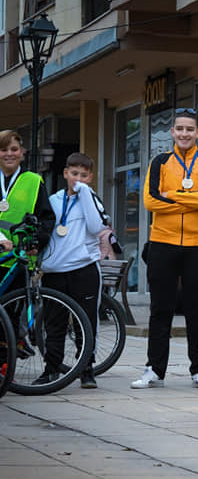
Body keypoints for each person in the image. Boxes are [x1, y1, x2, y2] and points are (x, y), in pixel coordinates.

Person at [132, 108, 198, 389]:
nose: (184, 133)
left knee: (197, 310)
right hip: (162, 242)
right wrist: (192, 197)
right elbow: (150, 201)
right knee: (161, 308)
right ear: (172, 132)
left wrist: (174, 195)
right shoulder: (159, 162)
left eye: (189, 129)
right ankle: (154, 369)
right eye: (179, 129)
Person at [37, 153, 107, 389]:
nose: (78, 179)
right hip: (55, 271)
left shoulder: (92, 198)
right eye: (74, 174)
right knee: (54, 323)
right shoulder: (54, 200)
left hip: (84, 268)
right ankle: (51, 368)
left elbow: (97, 227)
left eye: (84, 176)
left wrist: (86, 193)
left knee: (86, 321)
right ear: (65, 173)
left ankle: (86, 367)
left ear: (90, 177)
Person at [0, 130, 55, 286]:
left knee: (14, 309)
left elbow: (46, 218)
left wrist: (36, 243)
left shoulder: (34, 181)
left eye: (14, 149)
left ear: (22, 152)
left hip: (19, 259)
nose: (9, 154)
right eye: (4, 150)